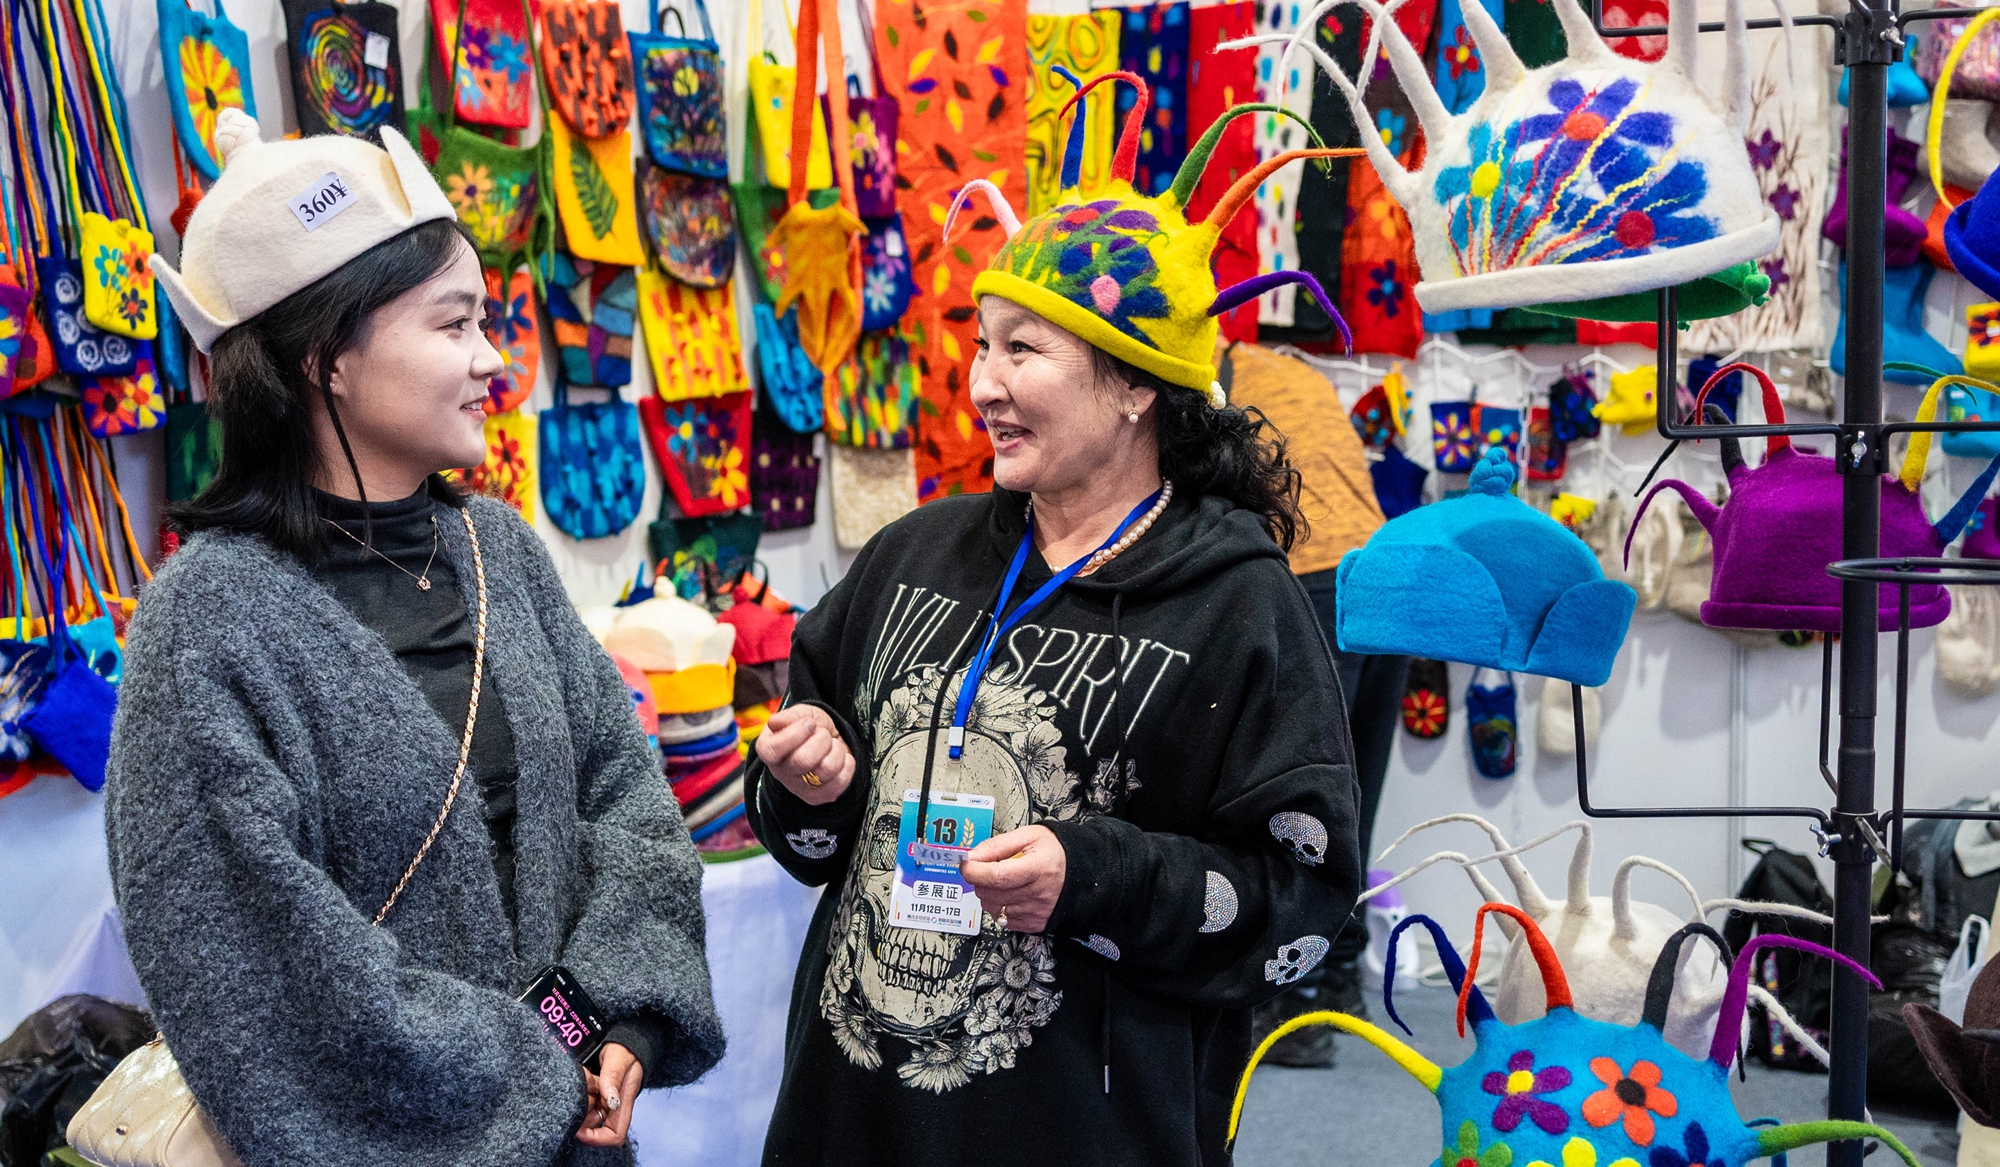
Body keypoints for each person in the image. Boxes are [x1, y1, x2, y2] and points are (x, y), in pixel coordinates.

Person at [745, 74, 1363, 1166]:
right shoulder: (913, 554)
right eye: (980, 344)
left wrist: (1094, 878)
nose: (981, 381)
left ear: (1134, 386)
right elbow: (809, 837)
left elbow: (1303, 904)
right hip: (859, 1119)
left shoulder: (1238, 603)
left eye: (1021, 350)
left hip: (1080, 1128)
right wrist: (809, 784)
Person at [107, 110, 722, 1166]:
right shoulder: (204, 624)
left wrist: (617, 1012)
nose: (495, 362)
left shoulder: (500, 551)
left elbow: (622, 790)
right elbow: (257, 968)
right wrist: (537, 1065)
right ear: (324, 358)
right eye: (453, 326)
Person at [1227, 343, 1411, 1067]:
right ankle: (1338, 985)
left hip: (1315, 578)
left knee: (1294, 805)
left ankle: (1294, 1009)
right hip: (1383, 577)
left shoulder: (1208, 383)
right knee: (1350, 801)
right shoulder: (1289, 368)